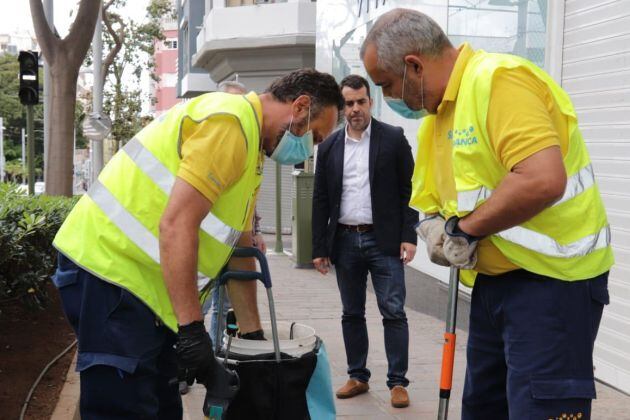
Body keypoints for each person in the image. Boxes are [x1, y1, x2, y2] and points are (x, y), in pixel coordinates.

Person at [361, 9, 614, 420]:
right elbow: (434, 198)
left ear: (413, 65)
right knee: (484, 409)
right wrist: (432, 226)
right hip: (495, 286)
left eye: (387, 85)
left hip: (553, 284)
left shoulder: (499, 81)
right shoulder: (439, 117)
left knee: (539, 411)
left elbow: (542, 179)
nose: (389, 98)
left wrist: (463, 230)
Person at [51, 69, 343, 419]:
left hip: (144, 289)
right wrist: (192, 331)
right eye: (315, 136)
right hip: (110, 274)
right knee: (125, 407)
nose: (308, 148)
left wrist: (251, 341)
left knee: (163, 405)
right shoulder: (229, 125)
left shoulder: (252, 150)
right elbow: (176, 225)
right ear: (300, 107)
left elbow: (240, 247)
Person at [312, 74, 418, 408]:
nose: (355, 109)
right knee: (351, 312)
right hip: (344, 241)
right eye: (349, 103)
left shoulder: (393, 139)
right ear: (342, 107)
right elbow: (320, 200)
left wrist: (408, 235)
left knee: (393, 311)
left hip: (383, 240)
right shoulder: (328, 146)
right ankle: (358, 376)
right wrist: (319, 248)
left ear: (370, 101)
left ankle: (398, 383)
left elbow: (408, 191)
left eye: (361, 101)